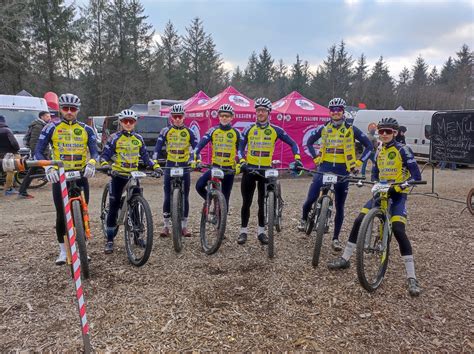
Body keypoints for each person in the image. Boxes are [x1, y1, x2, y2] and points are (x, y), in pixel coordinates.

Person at [327, 117, 422, 297]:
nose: (384, 134)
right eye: (381, 131)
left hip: (397, 194)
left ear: (395, 132)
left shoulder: (403, 149)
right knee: (359, 220)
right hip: (382, 192)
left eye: (388, 131)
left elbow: (416, 175)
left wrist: (404, 184)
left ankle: (412, 277)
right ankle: (345, 258)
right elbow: (376, 172)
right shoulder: (379, 150)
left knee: (399, 231)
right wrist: (375, 182)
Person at [297, 97, 373, 251]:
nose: (335, 112)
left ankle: (336, 238)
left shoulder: (352, 129)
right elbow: (309, 142)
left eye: (338, 110)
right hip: (324, 167)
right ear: (329, 112)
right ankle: (304, 218)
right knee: (311, 198)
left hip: (343, 170)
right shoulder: (324, 128)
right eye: (333, 110)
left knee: (340, 205)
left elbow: (370, 146)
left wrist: (358, 163)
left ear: (343, 112)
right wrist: (316, 158)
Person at [35, 93, 99, 265]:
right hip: (60, 177)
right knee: (61, 214)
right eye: (66, 108)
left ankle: (82, 248)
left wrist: (92, 163)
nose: (69, 112)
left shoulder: (86, 129)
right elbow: (38, 151)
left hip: (80, 175)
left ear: (77, 110)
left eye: (73, 109)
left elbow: (95, 152)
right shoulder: (51, 127)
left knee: (83, 212)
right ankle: (63, 251)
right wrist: (47, 166)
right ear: (60, 109)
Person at [237, 97, 302, 245]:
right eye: (258, 110)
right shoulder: (248, 129)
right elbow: (240, 147)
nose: (260, 113)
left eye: (263, 111)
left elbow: (293, 143)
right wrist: (242, 161)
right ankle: (243, 231)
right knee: (246, 202)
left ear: (268, 112)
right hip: (250, 169)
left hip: (266, 170)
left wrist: (297, 158)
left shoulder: (275, 130)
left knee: (262, 202)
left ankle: (261, 232)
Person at [100, 109, 162, 254]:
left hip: (134, 176)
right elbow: (104, 156)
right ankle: (110, 239)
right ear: (121, 122)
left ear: (135, 123)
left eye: (131, 121)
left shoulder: (139, 139)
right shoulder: (114, 138)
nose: (128, 124)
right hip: (118, 175)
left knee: (135, 206)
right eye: (125, 121)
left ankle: (137, 235)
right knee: (114, 205)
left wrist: (156, 166)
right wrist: (105, 166)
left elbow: (146, 158)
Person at [153, 104, 197, 238]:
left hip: (184, 166)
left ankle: (184, 226)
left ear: (184, 117)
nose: (178, 119)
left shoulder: (190, 132)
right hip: (170, 165)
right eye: (175, 117)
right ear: (171, 117)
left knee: (186, 196)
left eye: (180, 117)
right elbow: (157, 148)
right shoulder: (165, 131)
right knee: (167, 195)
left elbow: (196, 149)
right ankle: (166, 226)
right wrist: (155, 161)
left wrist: (196, 160)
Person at [193, 104, 241, 208]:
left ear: (232, 117)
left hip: (229, 169)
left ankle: (221, 221)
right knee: (199, 186)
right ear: (218, 116)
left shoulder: (236, 132)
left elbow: (241, 151)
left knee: (225, 200)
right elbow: (200, 145)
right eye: (222, 115)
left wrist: (240, 163)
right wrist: (194, 157)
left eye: (227, 116)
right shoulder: (213, 131)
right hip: (215, 167)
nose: (224, 118)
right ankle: (210, 198)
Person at [18, 111, 52, 198]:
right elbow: (35, 142)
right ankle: (22, 191)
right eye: (47, 116)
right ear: (42, 117)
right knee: (53, 167)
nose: (49, 118)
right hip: (39, 154)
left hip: (39, 153)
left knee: (32, 171)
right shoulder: (38, 126)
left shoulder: (40, 125)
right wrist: (40, 154)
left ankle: (22, 191)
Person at [0, 115, 21, 196]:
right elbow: (14, 143)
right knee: (10, 170)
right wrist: (16, 149)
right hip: (8, 153)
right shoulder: (7, 130)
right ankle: (9, 189)